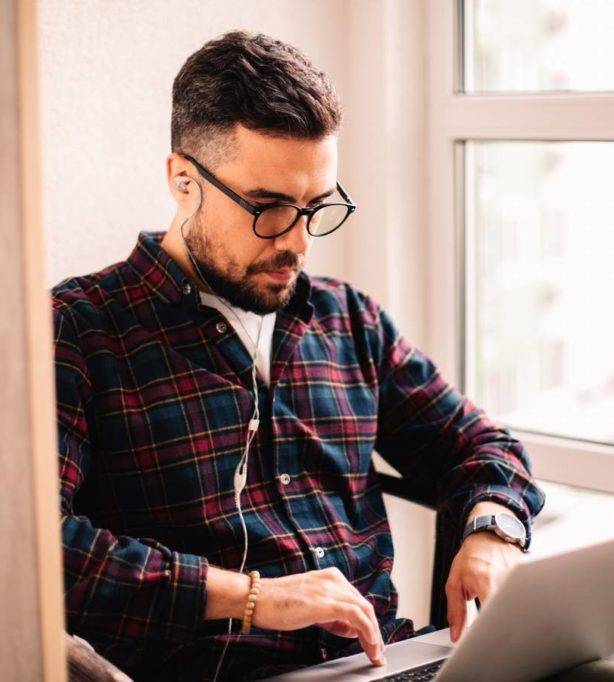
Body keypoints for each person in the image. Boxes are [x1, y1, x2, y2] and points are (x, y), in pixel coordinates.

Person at [52, 30, 544, 681]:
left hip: (388, 664)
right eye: (268, 208)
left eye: (316, 206)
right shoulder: (80, 331)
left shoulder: (349, 321)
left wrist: (493, 530)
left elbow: (481, 444)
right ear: (183, 181)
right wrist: (251, 597)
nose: (299, 241)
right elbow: (40, 551)